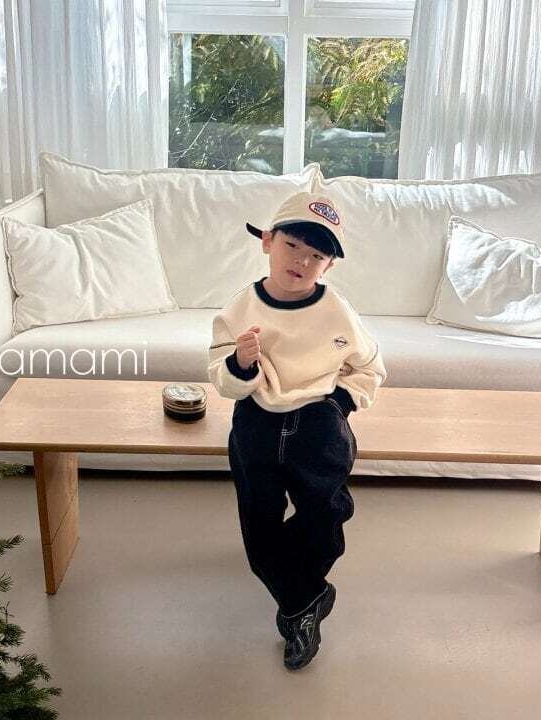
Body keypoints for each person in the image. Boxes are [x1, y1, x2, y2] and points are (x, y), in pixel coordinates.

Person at [207, 192, 387, 671]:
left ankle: (298, 598)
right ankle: (305, 603)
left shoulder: (338, 311)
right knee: (260, 529)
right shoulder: (240, 309)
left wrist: (338, 404)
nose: (302, 262)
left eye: (317, 256)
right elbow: (222, 381)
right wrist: (240, 363)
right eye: (293, 246)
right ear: (268, 242)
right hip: (257, 423)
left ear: (328, 265)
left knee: (326, 518)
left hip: (318, 425)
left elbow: (370, 368)